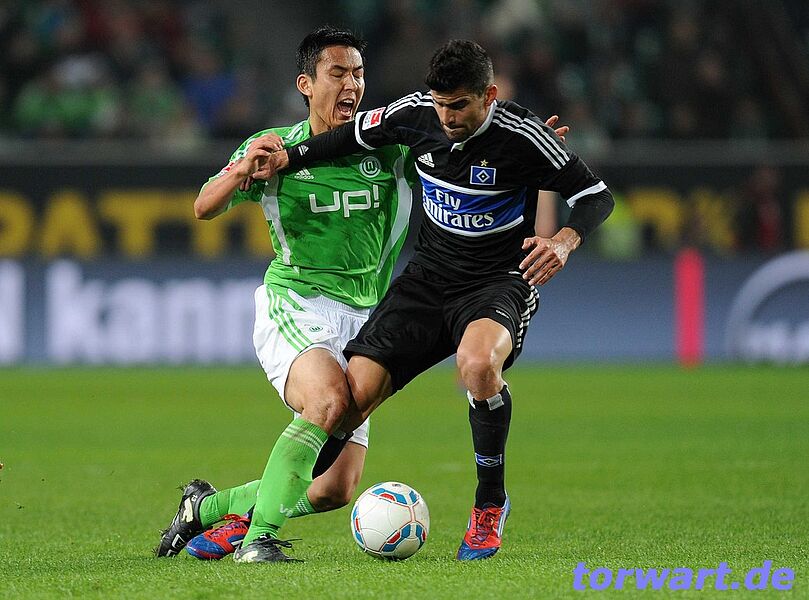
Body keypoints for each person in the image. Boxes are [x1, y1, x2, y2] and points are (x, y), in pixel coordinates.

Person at [155, 29, 570, 563]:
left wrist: (523, 150)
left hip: (365, 316)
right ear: (306, 84)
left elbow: (463, 151)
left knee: (334, 487)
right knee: (328, 402)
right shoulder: (275, 146)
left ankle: (211, 508)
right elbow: (204, 207)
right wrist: (239, 170)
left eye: (358, 74)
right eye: (337, 73)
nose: (351, 85)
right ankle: (258, 540)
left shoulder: (391, 144)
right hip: (297, 302)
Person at [249, 39, 614, 562]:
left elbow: (596, 195)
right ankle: (239, 512)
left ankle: (489, 505)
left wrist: (564, 241)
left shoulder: (524, 135)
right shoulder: (417, 114)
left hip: (496, 281)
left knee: (478, 366)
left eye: (459, 105)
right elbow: (350, 136)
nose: (447, 117)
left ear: (489, 96)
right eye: (440, 104)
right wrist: (290, 156)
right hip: (427, 280)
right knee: (347, 404)